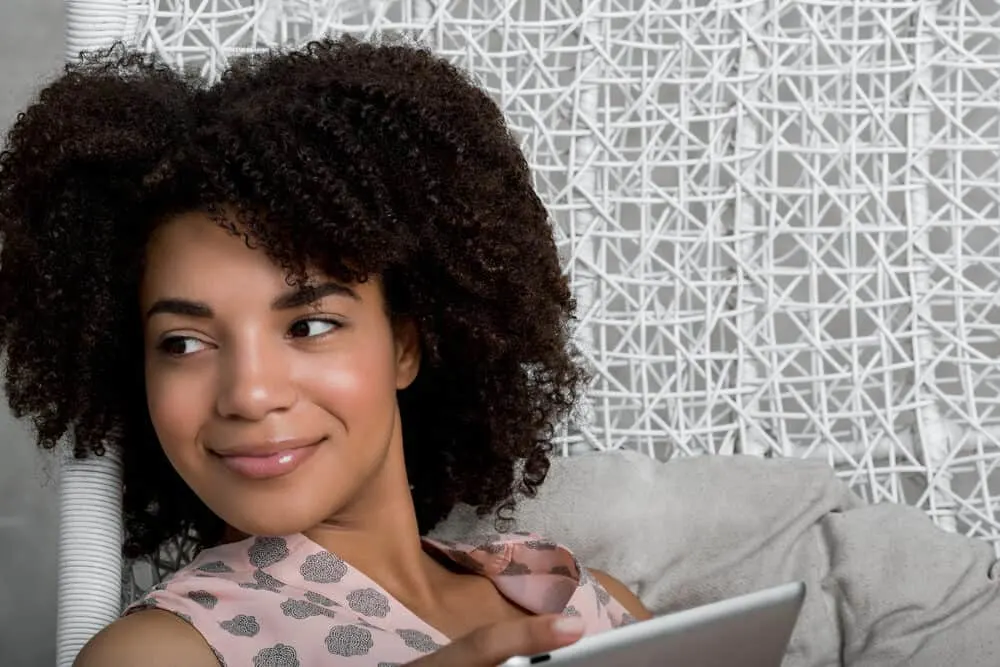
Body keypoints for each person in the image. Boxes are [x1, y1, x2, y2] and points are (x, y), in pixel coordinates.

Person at [0, 36, 651, 666]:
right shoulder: (158, 656)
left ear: (404, 344)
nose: (250, 393)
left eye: (309, 326)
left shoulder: (576, 597)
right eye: (184, 342)